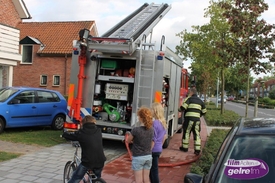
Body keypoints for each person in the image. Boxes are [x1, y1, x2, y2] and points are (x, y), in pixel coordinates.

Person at [62, 115, 106, 183]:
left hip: (87, 162)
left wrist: (64, 134)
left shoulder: (81, 133)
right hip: (101, 161)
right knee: (96, 178)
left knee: (75, 179)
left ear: (83, 123)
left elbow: (71, 136)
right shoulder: (98, 130)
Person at [126, 106, 154, 183]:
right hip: (148, 156)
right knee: (146, 179)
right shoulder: (151, 129)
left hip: (138, 157)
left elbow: (128, 141)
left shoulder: (135, 130)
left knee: (138, 180)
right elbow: (152, 141)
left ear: (141, 118)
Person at [178, 87, 207, 155]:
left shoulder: (189, 99)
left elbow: (183, 107)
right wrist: (198, 115)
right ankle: (197, 150)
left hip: (189, 119)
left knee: (187, 132)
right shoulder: (200, 101)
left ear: (191, 93)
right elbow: (204, 111)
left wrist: (179, 109)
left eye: (189, 92)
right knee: (197, 134)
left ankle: (185, 148)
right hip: (197, 120)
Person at [150, 102, 167, 183]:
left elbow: (153, 139)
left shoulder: (155, 123)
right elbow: (164, 137)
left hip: (153, 150)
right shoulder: (163, 122)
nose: (150, 111)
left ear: (155, 111)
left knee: (153, 171)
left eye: (151, 109)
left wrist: (149, 149)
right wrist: (160, 146)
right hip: (158, 149)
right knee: (154, 169)